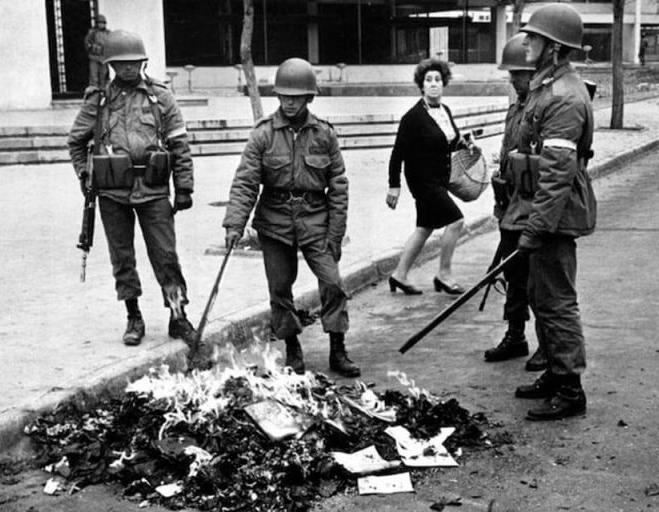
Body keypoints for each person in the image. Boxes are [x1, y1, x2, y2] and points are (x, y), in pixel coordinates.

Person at [222, 58, 360, 378]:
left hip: (315, 217)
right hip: (274, 220)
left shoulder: (324, 134)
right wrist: (234, 224)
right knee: (280, 288)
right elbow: (245, 181)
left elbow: (338, 186)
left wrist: (335, 234)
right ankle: (292, 347)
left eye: (296, 96)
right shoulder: (264, 134)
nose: (289, 101)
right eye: (284, 95)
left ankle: (337, 349)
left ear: (309, 97)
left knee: (332, 283)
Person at [67, 30, 197, 347]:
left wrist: (184, 186)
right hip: (113, 192)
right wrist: (86, 175)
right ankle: (133, 316)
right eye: (121, 63)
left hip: (153, 190)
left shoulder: (160, 96)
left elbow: (179, 144)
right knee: (122, 258)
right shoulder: (98, 101)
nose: (128, 68)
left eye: (134, 62)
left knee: (165, 255)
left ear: (142, 62)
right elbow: (75, 141)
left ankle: (178, 315)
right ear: (111, 65)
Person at [512, 3, 597, 421]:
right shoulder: (548, 86)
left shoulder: (563, 97)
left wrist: (535, 228)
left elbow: (558, 174)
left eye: (534, 36)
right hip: (543, 208)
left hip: (555, 212)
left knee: (557, 300)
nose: (526, 40)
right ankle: (553, 370)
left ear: (554, 47)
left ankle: (570, 388)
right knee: (538, 295)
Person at [483, 32, 547, 373]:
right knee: (512, 273)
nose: (512, 80)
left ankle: (547, 345)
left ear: (534, 73)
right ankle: (516, 334)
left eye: (517, 75)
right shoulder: (516, 108)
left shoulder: (543, 109)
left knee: (538, 280)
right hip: (510, 205)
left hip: (534, 206)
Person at [386, 58, 471, 296]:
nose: (434, 84)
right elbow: (397, 154)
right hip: (423, 182)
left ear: (444, 84)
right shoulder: (413, 117)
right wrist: (394, 186)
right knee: (456, 221)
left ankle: (399, 275)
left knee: (424, 227)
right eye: (428, 80)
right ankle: (444, 275)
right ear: (421, 86)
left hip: (439, 180)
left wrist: (464, 144)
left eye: (438, 80)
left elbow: (449, 143)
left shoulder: (445, 111)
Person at [84, 14, 110, 89]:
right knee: (93, 77)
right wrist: (94, 48)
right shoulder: (92, 32)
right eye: (100, 23)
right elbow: (87, 44)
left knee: (104, 77)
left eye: (103, 23)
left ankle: (104, 94)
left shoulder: (108, 33)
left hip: (104, 58)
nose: (101, 25)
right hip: (94, 58)